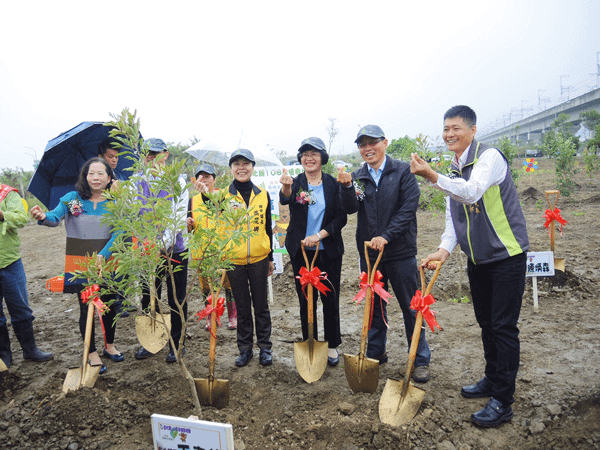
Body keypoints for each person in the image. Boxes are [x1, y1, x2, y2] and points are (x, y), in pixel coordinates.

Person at [410, 105, 529, 427]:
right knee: (486, 323)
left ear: (473, 130)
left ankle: (503, 400)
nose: (449, 134)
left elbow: (472, 193)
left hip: (506, 256)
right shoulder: (455, 167)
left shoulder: (489, 158)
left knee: (504, 328)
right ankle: (492, 379)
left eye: (456, 128)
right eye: (446, 129)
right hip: (479, 260)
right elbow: (454, 217)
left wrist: (433, 177)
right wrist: (444, 250)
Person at [337, 124, 431, 383]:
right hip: (369, 256)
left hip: (400, 252)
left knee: (411, 307)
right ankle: (377, 353)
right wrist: (345, 187)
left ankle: (420, 358)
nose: (368, 148)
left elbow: (408, 208)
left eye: (372, 143)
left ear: (385, 143)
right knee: (374, 307)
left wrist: (386, 236)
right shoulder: (358, 177)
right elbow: (350, 209)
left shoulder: (402, 171)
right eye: (362, 145)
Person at [31, 158, 123, 374]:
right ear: (85, 176)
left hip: (108, 264)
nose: (96, 178)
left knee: (109, 307)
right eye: (91, 173)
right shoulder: (72, 199)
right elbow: (54, 217)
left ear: (110, 178)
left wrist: (103, 255)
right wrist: (43, 216)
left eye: (101, 173)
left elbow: (120, 232)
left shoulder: (116, 202)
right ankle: (90, 352)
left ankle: (109, 345)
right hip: (80, 265)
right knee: (86, 308)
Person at [279, 137, 347, 366]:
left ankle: (332, 344)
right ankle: (311, 341)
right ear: (300, 159)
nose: (309, 158)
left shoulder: (332, 184)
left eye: (314, 154)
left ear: (322, 158)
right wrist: (286, 187)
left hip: (328, 251)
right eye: (305, 154)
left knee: (330, 297)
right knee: (306, 299)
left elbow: (341, 217)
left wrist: (319, 235)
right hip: (302, 253)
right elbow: (285, 198)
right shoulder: (295, 182)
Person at [133, 138, 189, 363]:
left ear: (165, 155)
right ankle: (151, 341)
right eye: (147, 154)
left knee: (177, 297)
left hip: (174, 250)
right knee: (149, 295)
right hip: (147, 251)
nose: (150, 158)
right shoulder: (136, 182)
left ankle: (178, 342)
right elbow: (131, 215)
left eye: (155, 153)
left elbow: (177, 217)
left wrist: (161, 245)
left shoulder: (178, 182)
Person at [225, 149, 275, 367]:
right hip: (234, 260)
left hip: (258, 259)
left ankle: (265, 347)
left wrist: (270, 257)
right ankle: (245, 349)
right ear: (231, 169)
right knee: (243, 306)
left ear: (253, 167)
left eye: (246, 163)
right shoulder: (222, 196)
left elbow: (267, 228)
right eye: (236, 164)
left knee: (261, 305)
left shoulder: (263, 195)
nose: (241, 167)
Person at [0, 185, 53, 369]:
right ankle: (4, 356)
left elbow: (22, 218)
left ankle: (30, 350)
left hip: (10, 263)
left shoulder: (7, 194)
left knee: (20, 309)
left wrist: (2, 215)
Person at [186, 163, 237, 330]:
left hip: (223, 249)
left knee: (229, 284)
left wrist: (208, 194)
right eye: (200, 176)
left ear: (214, 179)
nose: (204, 179)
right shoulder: (192, 201)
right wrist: (188, 224)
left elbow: (226, 213)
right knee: (206, 287)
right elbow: (188, 227)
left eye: (207, 176)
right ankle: (210, 316)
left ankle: (233, 316)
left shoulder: (223, 196)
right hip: (203, 251)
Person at [98, 136, 131, 317]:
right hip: (105, 226)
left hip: (122, 223)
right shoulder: (95, 178)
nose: (114, 160)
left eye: (116, 157)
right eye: (110, 156)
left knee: (123, 261)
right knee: (108, 261)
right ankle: (112, 301)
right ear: (100, 156)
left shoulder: (120, 176)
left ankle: (123, 299)